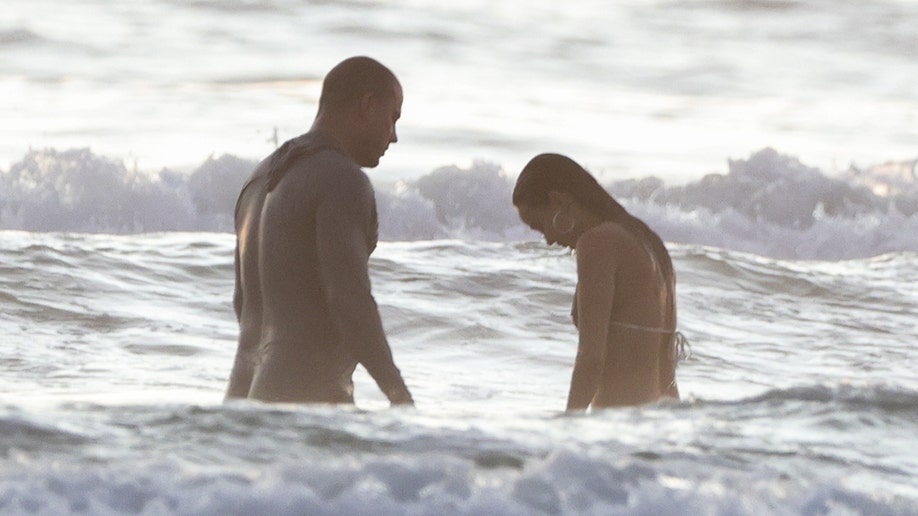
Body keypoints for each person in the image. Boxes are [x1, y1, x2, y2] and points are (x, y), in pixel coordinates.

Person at [224, 56, 413, 406]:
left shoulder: (259, 179)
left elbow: (244, 303)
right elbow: (348, 300)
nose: (394, 136)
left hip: (240, 403)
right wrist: (398, 394)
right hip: (305, 403)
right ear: (366, 105)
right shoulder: (342, 180)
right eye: (392, 118)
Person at [512, 153, 684, 411]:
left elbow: (591, 358)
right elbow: (666, 367)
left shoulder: (598, 242)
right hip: (654, 423)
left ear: (558, 200)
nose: (547, 239)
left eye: (540, 224)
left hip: (616, 426)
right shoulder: (649, 242)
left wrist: (569, 427)